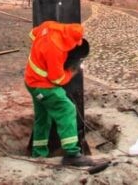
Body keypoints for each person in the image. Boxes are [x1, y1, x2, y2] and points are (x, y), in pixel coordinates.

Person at [25, 20, 95, 167]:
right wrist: (71, 72)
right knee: (67, 109)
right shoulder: (56, 50)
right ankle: (72, 154)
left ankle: (38, 153)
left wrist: (40, 50)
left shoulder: (49, 26)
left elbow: (32, 34)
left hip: (31, 80)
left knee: (43, 118)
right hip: (42, 85)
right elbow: (57, 78)